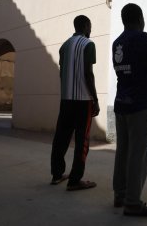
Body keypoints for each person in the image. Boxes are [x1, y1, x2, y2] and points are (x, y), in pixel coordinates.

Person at [112, 3, 147, 217]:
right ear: (140, 18)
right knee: (139, 154)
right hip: (140, 105)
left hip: (121, 104)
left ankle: (120, 194)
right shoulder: (144, 38)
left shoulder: (117, 42)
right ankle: (133, 203)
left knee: (123, 150)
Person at [50, 15, 100, 191]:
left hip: (66, 100)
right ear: (86, 26)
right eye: (90, 25)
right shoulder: (88, 44)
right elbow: (88, 73)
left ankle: (57, 174)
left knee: (61, 138)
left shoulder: (64, 46)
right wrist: (95, 99)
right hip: (83, 100)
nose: (90, 29)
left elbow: (61, 72)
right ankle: (75, 180)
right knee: (82, 141)